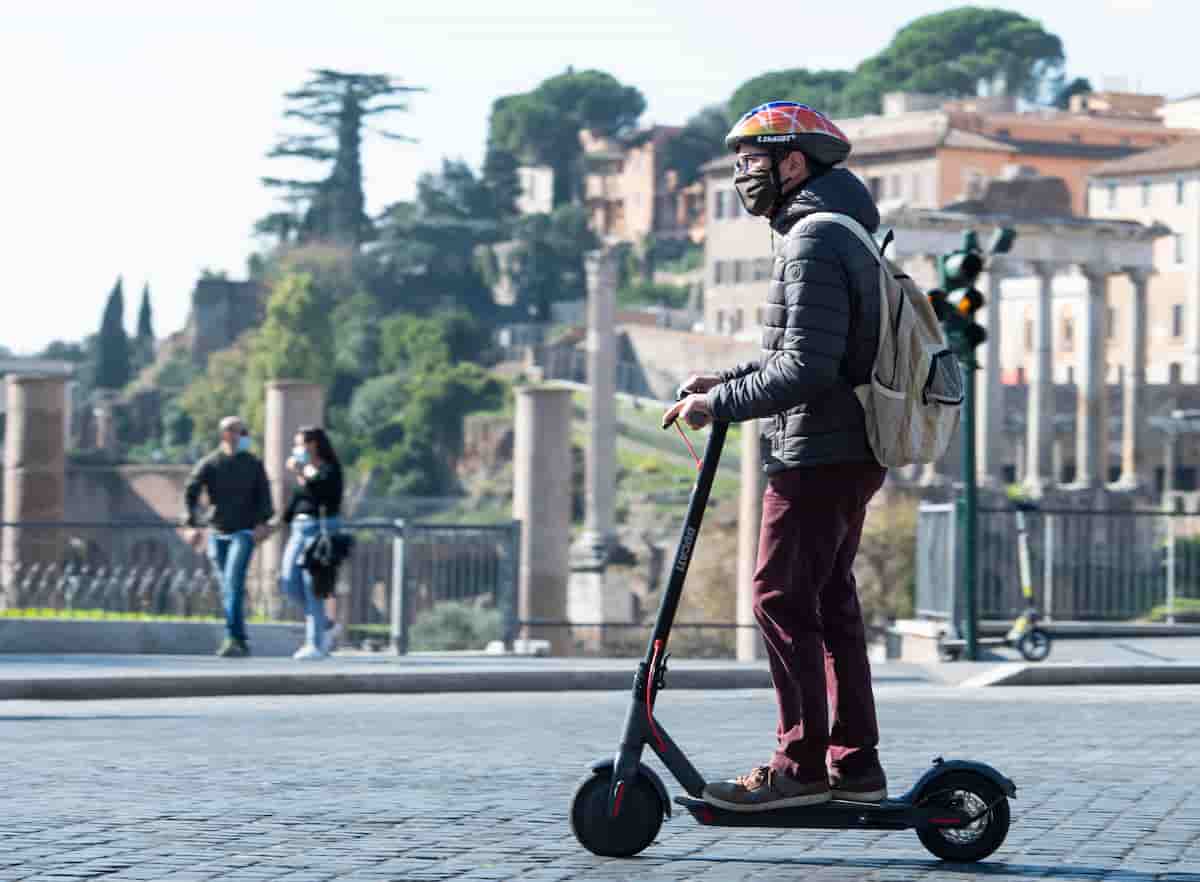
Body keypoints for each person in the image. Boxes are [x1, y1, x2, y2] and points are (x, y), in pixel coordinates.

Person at [663, 101, 887, 812]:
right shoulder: (836, 229)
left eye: (752, 161)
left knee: (779, 597)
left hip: (818, 450)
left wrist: (718, 406)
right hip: (844, 446)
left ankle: (800, 770)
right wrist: (722, 383)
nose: (741, 174)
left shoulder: (813, 240)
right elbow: (798, 355)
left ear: (795, 164)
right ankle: (852, 768)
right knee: (828, 602)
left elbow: (805, 371)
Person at [183, 416, 274, 658]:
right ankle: (240, 639)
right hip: (217, 532)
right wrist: (192, 524)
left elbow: (264, 495)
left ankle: (233, 637)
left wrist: (263, 523)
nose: (243, 435)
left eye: (245, 431)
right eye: (238, 431)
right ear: (226, 434)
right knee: (227, 587)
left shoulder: (253, 463)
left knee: (233, 582)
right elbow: (190, 490)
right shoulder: (210, 463)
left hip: (243, 533)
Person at [280, 426, 345, 660]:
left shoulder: (330, 469)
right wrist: (279, 522)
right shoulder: (305, 473)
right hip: (300, 528)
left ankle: (314, 644)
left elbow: (323, 492)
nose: (297, 449)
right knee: (288, 581)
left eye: (301, 444)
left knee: (313, 586)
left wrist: (302, 470)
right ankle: (325, 624)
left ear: (314, 445)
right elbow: (300, 497)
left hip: (322, 528)